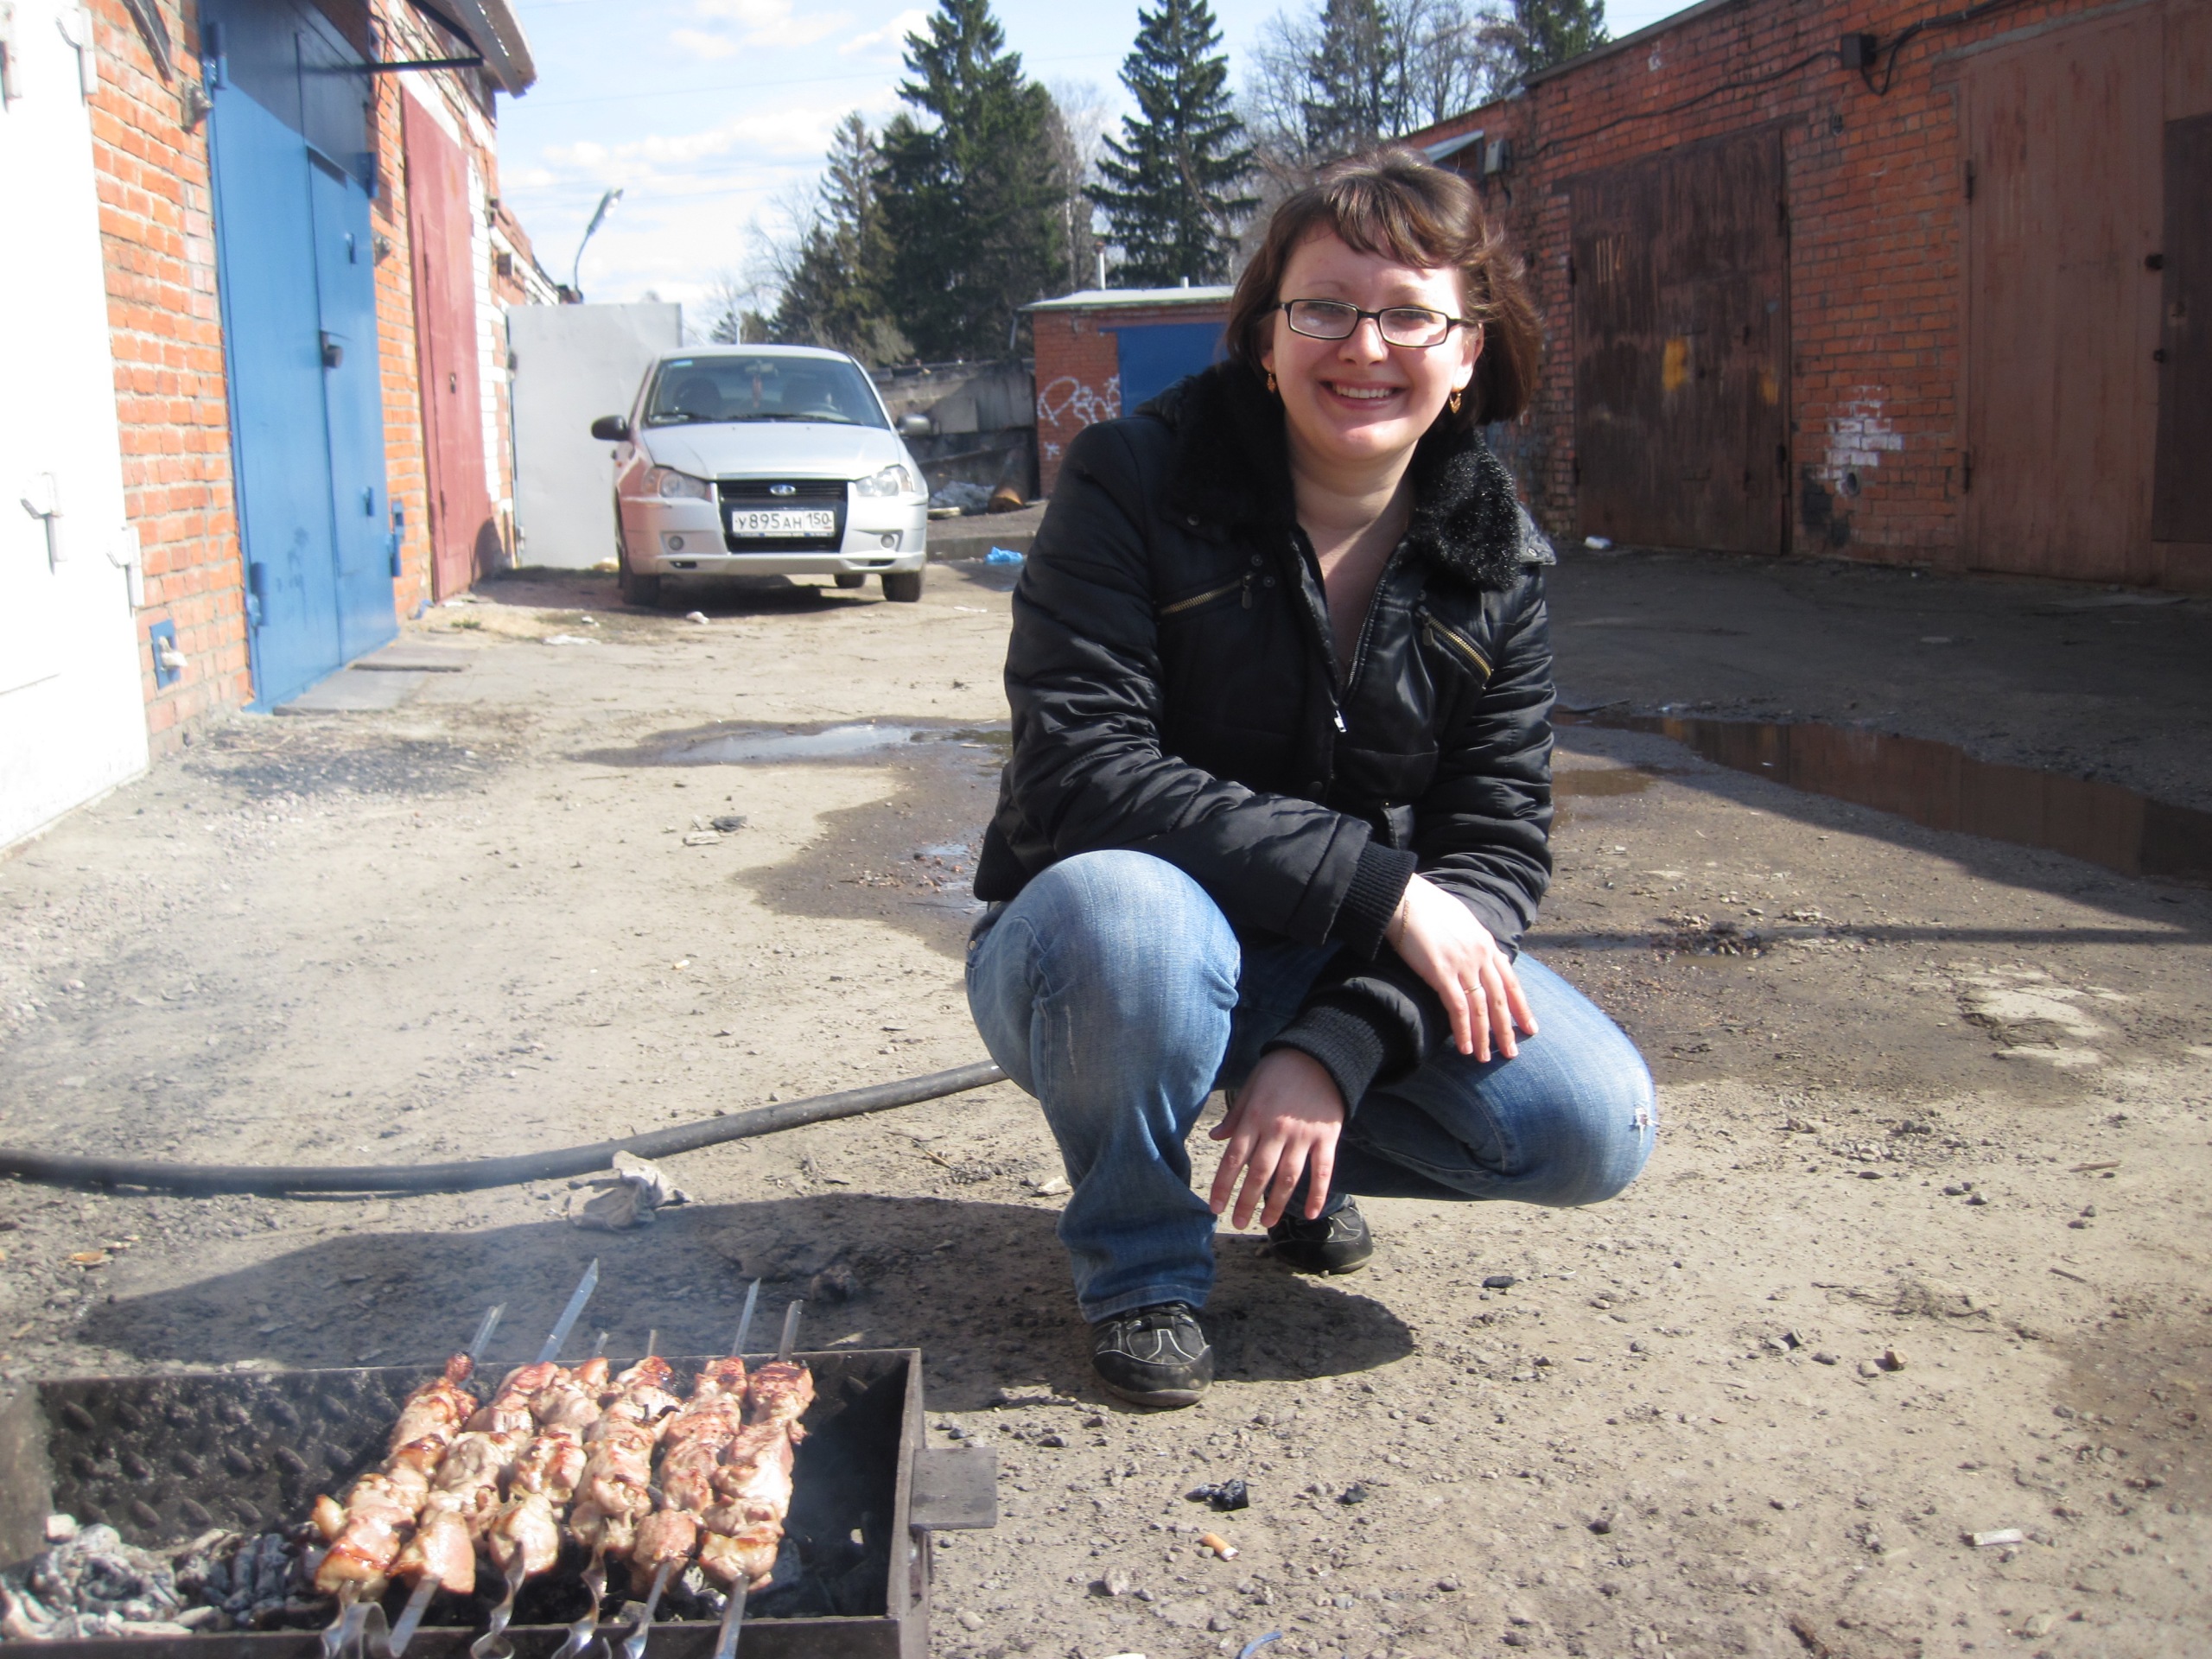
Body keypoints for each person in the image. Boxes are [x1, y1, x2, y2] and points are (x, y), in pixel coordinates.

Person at [966, 147, 1656, 1408]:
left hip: (1320, 958)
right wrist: (1382, 888)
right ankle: (1141, 1260)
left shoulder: (1495, 560)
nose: (1364, 347)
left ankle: (1295, 1158)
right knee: (1133, 915)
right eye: (1325, 308)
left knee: (1594, 1120)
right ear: (1265, 336)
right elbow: (1081, 771)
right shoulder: (1134, 481)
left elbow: (1496, 848)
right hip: (1099, 947)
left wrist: (1336, 1046)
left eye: (1410, 316)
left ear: (1467, 351)